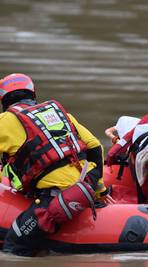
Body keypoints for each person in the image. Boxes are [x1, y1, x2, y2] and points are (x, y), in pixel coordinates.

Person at [0, 73, 114, 256]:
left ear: (3, 99)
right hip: (85, 186)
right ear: (32, 94)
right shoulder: (60, 114)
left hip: (56, 196)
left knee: (14, 247)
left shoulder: (4, 121)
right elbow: (95, 148)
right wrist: (100, 190)